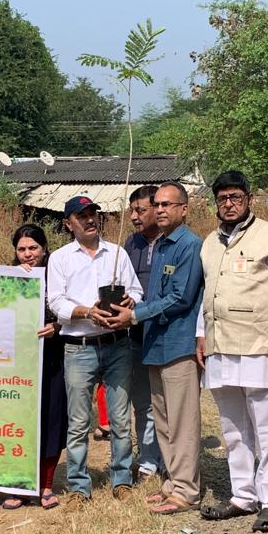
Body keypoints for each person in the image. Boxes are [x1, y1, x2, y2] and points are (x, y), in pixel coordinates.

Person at [194, 170, 268, 532]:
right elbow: (207, 293)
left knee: (266, 428)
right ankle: (242, 496)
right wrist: (200, 335)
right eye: (222, 199)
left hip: (259, 345)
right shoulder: (208, 242)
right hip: (220, 346)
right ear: (215, 203)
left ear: (249, 199)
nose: (229, 204)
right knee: (233, 428)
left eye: (236, 197)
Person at [107, 182, 204, 515]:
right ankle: (172, 484)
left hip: (178, 344)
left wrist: (135, 315)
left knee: (182, 422)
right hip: (153, 343)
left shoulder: (190, 245)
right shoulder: (160, 245)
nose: (160, 209)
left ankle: (188, 490)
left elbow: (180, 297)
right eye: (157, 204)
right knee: (161, 420)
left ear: (184, 209)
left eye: (167, 204)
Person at [47, 195, 143, 509]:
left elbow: (137, 291)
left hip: (117, 345)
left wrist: (131, 301)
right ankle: (78, 486)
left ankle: (121, 480)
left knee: (119, 418)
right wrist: (87, 312)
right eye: (81, 216)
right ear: (68, 223)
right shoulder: (61, 258)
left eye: (93, 214)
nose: (89, 220)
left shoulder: (116, 253)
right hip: (79, 347)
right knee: (78, 422)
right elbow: (55, 302)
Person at [1, 225, 68, 510]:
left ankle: (46, 485)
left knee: (51, 419)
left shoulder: (58, 275)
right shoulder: (7, 279)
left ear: (44, 249)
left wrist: (57, 326)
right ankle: (18, 484)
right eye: (22, 249)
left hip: (53, 359)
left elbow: (73, 307)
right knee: (20, 422)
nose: (28, 255)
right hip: (18, 364)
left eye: (33, 248)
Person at [123, 184, 164, 478]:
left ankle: (171, 460)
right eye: (133, 210)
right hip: (136, 334)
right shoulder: (131, 244)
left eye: (141, 210)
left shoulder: (176, 242)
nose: (135, 216)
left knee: (170, 404)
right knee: (143, 402)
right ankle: (148, 460)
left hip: (168, 333)